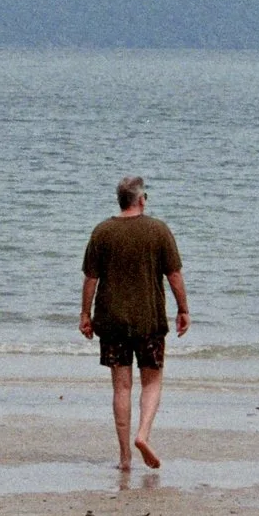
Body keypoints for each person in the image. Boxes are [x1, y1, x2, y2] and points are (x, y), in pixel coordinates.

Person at [79, 175, 187, 471]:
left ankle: (125, 457)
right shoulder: (158, 230)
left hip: (112, 320)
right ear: (141, 199)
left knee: (121, 388)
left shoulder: (102, 231)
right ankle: (143, 435)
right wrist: (183, 309)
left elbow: (91, 278)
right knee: (152, 381)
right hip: (149, 320)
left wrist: (85, 314)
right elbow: (174, 274)